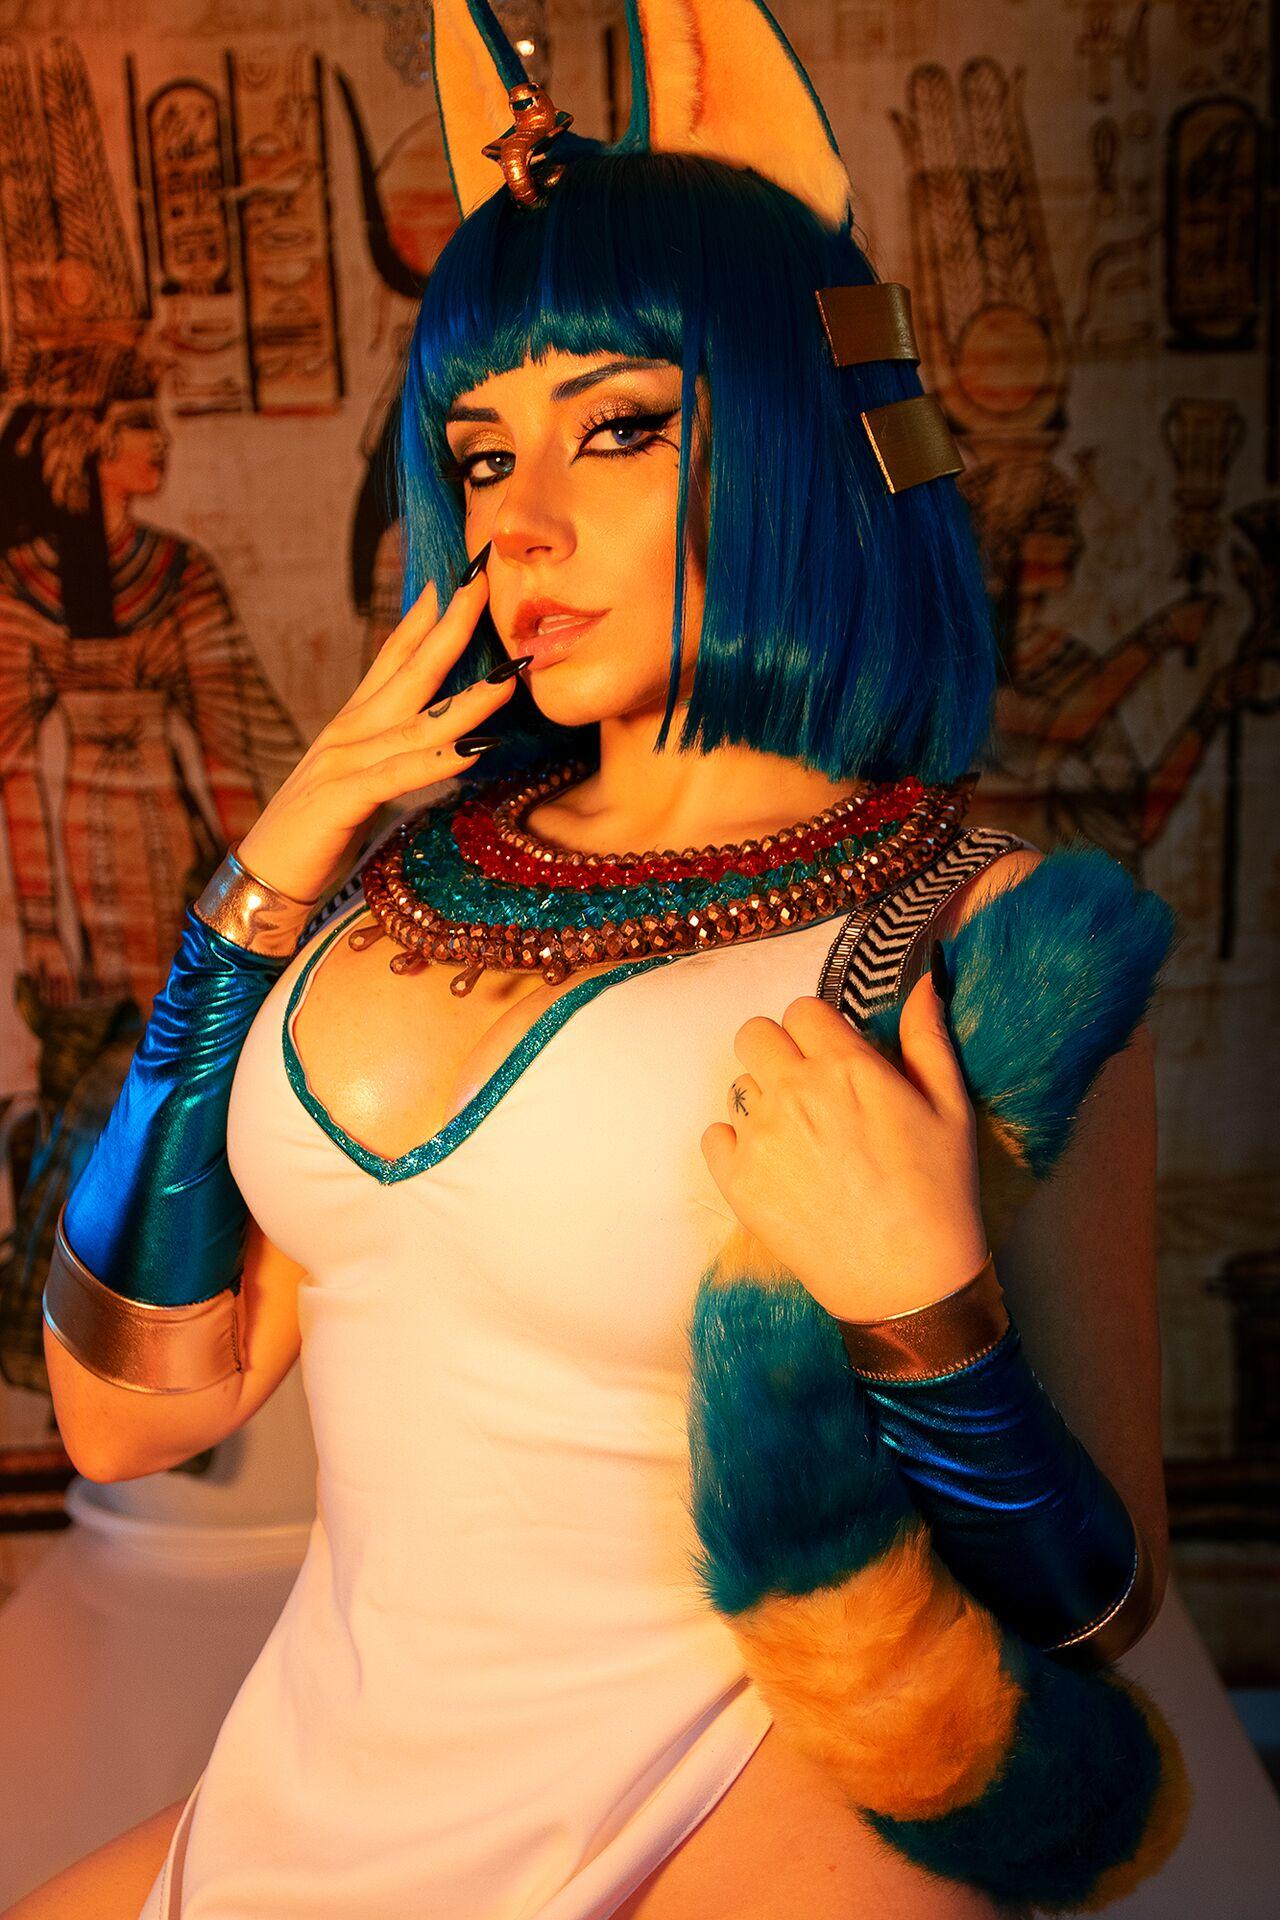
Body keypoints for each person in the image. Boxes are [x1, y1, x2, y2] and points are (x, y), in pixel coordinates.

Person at [23, 4, 1187, 1916]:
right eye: (480, 456)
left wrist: (929, 1311)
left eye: (621, 427)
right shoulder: (379, 897)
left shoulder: (983, 940)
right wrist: (260, 888)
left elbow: (1104, 1618)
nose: (521, 524)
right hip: (313, 1799)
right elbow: (132, 1412)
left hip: (724, 1822)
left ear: (801, 431)